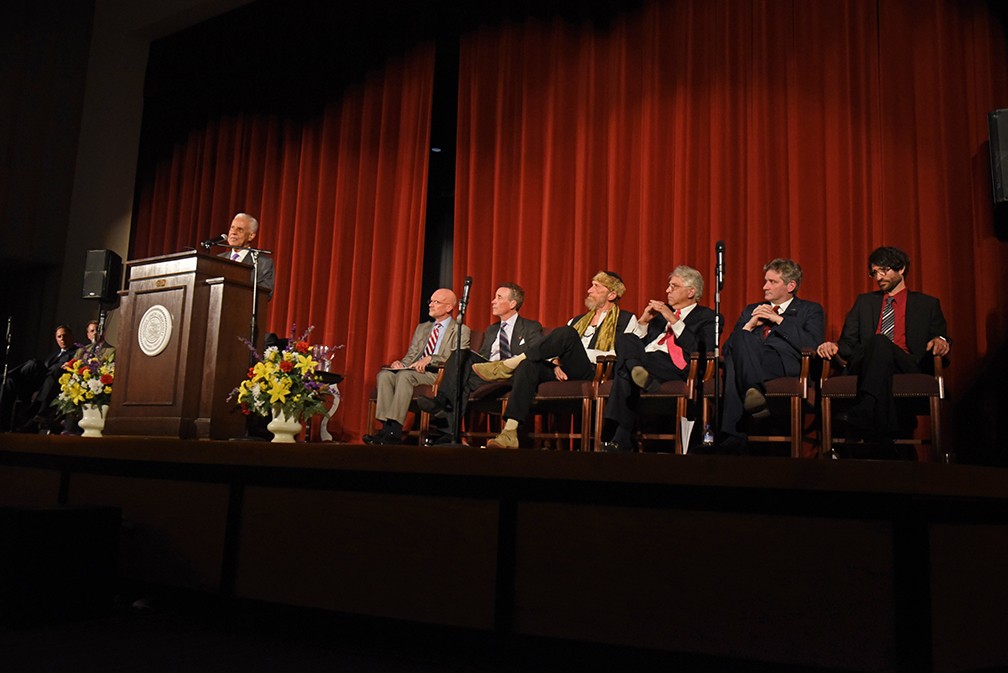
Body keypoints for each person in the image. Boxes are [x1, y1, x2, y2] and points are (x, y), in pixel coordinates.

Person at [472, 271, 638, 449]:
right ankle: (510, 432)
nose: (589, 290)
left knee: (567, 334)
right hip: (564, 368)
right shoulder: (577, 320)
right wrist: (556, 363)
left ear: (611, 294)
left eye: (596, 287)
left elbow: (622, 352)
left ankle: (509, 364)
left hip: (594, 370)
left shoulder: (626, 319)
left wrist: (578, 352)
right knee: (528, 365)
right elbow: (555, 347)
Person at [816, 246, 950, 443]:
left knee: (880, 341)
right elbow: (848, 342)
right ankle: (878, 427)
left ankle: (866, 410)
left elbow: (941, 336)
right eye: (874, 273)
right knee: (879, 342)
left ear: (901, 269)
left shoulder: (927, 304)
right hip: (866, 362)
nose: (878, 277)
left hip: (906, 364)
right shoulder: (864, 302)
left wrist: (941, 341)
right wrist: (833, 346)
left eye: (884, 271)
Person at [600, 266, 717, 452]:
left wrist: (674, 320)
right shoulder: (658, 317)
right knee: (625, 339)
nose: (667, 290)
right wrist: (643, 322)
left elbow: (701, 350)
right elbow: (636, 345)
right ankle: (637, 370)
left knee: (624, 373)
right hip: (647, 360)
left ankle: (618, 438)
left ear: (691, 292)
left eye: (674, 286)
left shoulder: (708, 317)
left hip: (674, 365)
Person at [415, 283, 544, 444]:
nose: (493, 301)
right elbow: (483, 356)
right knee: (460, 358)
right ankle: (448, 426)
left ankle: (444, 413)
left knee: (462, 377)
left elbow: (536, 354)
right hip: (489, 372)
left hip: (513, 373)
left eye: (499, 298)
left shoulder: (531, 327)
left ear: (512, 304)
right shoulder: (492, 330)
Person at [718, 258, 824, 451]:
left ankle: (732, 435)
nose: (764, 286)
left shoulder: (810, 309)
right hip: (753, 360)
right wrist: (750, 325)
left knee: (734, 365)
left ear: (790, 286)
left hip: (781, 363)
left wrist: (778, 320)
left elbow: (812, 344)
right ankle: (754, 393)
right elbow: (727, 348)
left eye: (772, 282)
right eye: (765, 281)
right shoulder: (751, 310)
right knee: (737, 349)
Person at [363, 287, 471, 445]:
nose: (431, 305)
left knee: (404, 376)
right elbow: (412, 354)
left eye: (436, 302)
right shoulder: (423, 328)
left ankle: (394, 431)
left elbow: (457, 359)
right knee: (385, 375)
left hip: (437, 374)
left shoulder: (460, 330)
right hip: (414, 371)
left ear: (449, 307)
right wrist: (401, 363)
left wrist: (431, 359)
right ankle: (386, 428)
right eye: (430, 301)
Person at [0, 324, 75, 432]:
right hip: (40, 380)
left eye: (65, 335)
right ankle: (3, 423)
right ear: (56, 339)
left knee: (34, 363)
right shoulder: (54, 354)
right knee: (9, 381)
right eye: (59, 336)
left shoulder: (76, 352)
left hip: (53, 382)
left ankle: (6, 375)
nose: (62, 339)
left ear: (71, 336)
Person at [219, 212, 275, 299]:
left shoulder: (262, 263)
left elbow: (264, 295)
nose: (233, 232)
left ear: (251, 236)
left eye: (240, 230)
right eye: (232, 228)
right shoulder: (219, 259)